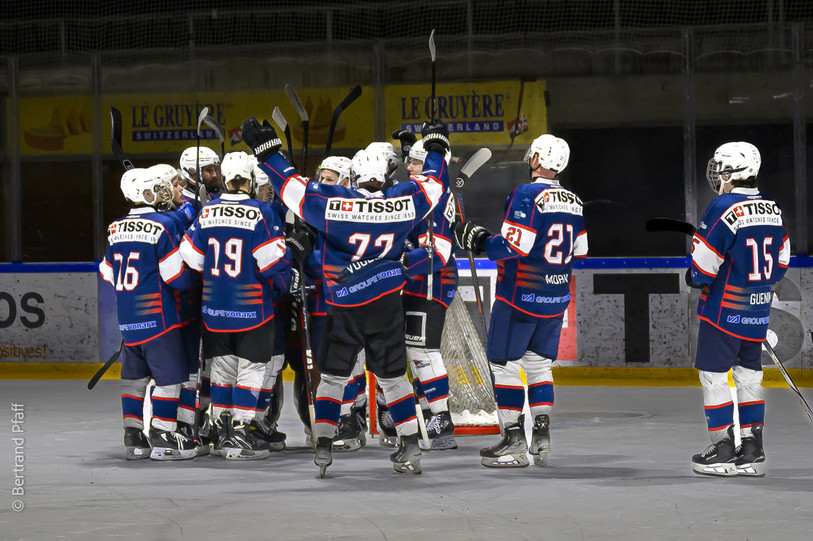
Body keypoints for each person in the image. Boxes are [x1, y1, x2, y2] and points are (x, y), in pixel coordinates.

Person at [242, 116, 450, 476]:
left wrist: (267, 152)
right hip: (386, 306)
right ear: (384, 178)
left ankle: (324, 445)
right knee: (393, 379)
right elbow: (433, 184)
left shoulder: (332, 203)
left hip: (343, 308)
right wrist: (435, 146)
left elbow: (291, 187)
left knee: (334, 379)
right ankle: (410, 444)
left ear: (353, 178)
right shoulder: (404, 201)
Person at [454, 134, 587, 468]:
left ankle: (513, 439)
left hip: (520, 298)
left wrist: (481, 241)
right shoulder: (574, 200)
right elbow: (581, 251)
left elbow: (514, 246)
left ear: (537, 158)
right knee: (539, 366)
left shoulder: (527, 193)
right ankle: (541, 434)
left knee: (504, 366)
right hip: (556, 299)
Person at [179, 151, 292, 460]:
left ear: (226, 178)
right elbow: (271, 262)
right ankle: (241, 433)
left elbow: (191, 257)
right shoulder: (261, 212)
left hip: (214, 309)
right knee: (251, 370)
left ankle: (222, 433)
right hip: (253, 309)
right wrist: (290, 254)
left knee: (222, 370)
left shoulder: (207, 211)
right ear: (250, 180)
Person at [687, 141, 790, 477]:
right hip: (757, 311)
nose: (718, 175)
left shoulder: (723, 206)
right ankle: (752, 449)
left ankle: (722, 449)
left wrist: (695, 275)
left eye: (720, 168)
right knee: (749, 375)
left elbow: (704, 265)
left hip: (723, 310)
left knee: (714, 376)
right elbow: (782, 258)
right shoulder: (772, 207)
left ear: (731, 173)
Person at [99, 167, 200, 461]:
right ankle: (163, 434)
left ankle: (133, 435)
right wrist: (198, 278)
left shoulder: (115, 227)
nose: (163, 192)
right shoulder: (163, 224)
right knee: (170, 378)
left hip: (128, 320)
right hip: (159, 318)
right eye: (157, 188)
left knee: (134, 377)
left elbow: (106, 271)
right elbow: (174, 275)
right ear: (146, 193)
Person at [398, 137, 460, 450]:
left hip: (431, 280)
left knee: (423, 350)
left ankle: (441, 418)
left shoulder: (436, 196)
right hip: (422, 281)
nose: (408, 167)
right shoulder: (432, 190)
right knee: (414, 350)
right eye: (408, 160)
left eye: (416, 162)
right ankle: (430, 412)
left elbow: (438, 251)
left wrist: (401, 259)